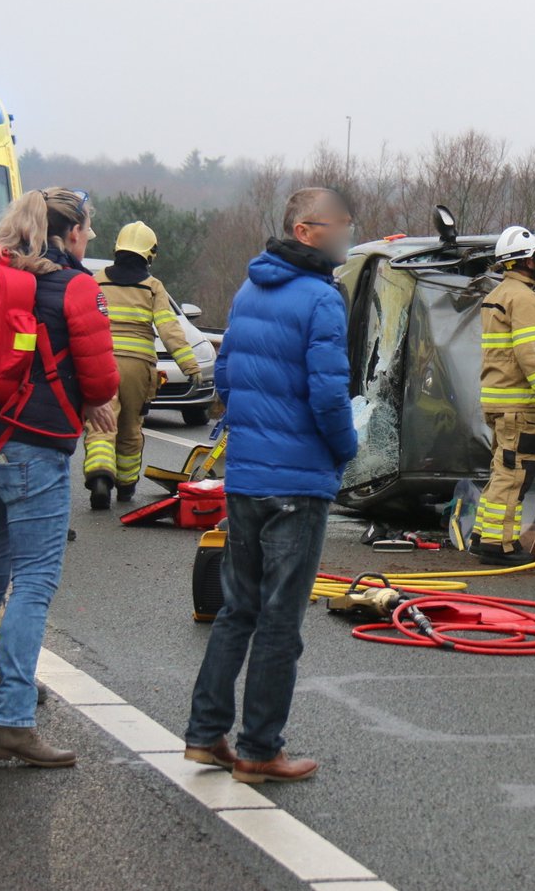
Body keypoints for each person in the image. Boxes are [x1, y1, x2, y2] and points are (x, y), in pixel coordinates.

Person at [183, 188, 357, 784]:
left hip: (248, 477)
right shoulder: (323, 300)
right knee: (281, 621)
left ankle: (206, 736)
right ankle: (259, 749)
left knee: (238, 610)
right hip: (298, 482)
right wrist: (346, 451)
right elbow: (330, 396)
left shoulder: (250, 289)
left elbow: (225, 376)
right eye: (339, 227)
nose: (346, 237)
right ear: (307, 231)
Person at [0, 188, 118, 768]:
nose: (90, 240)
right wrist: (90, 401)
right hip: (32, 446)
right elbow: (101, 382)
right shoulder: (73, 286)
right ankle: (16, 721)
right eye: (87, 230)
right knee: (35, 583)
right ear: (70, 233)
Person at [83, 220, 201, 508]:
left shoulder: (96, 281)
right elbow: (169, 330)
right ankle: (125, 485)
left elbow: (82, 325)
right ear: (150, 254)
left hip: (102, 364)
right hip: (138, 369)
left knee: (100, 424)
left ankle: (100, 475)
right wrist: (191, 367)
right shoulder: (152, 287)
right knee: (131, 427)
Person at [472, 225, 535, 566]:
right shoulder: (524, 298)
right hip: (517, 404)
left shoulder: (498, 295)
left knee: (501, 470)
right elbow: (528, 355)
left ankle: (484, 534)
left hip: (497, 400)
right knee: (514, 474)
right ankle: (499, 545)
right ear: (525, 261)